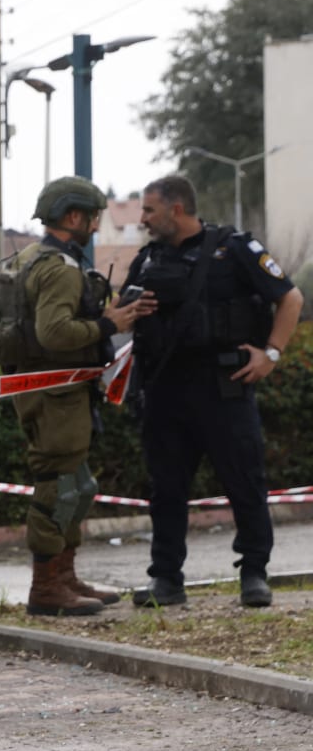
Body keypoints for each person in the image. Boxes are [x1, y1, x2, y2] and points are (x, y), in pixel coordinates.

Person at [125, 173, 304, 608]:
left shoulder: (235, 249)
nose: (143, 219)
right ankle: (166, 580)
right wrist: (132, 310)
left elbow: (291, 298)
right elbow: (121, 312)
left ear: (177, 209)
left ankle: (254, 575)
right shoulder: (148, 259)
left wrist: (271, 354)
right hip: (166, 390)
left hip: (224, 387)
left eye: (150, 210)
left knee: (245, 484)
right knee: (166, 489)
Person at [7, 177, 157, 615]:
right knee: (59, 489)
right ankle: (45, 588)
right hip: (53, 393)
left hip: (60, 390)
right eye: (92, 216)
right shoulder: (57, 267)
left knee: (80, 486)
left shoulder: (41, 259)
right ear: (73, 216)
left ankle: (64, 576)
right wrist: (110, 325)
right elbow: (53, 333)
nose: (95, 225)